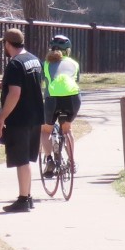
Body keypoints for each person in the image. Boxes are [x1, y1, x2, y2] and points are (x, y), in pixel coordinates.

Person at [0, 28, 44, 213]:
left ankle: (23, 199)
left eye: (3, 44)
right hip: (36, 116)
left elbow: (15, 93)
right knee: (26, 160)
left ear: (7, 43)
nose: (3, 48)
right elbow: (27, 86)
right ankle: (27, 197)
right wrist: (4, 86)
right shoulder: (33, 60)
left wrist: (1, 119)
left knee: (21, 160)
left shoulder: (14, 64)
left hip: (20, 119)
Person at [40, 34, 82, 174]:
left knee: (46, 130)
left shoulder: (46, 64)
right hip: (72, 99)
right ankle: (72, 162)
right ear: (67, 50)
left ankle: (49, 159)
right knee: (67, 129)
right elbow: (77, 80)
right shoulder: (74, 64)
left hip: (53, 100)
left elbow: (44, 82)